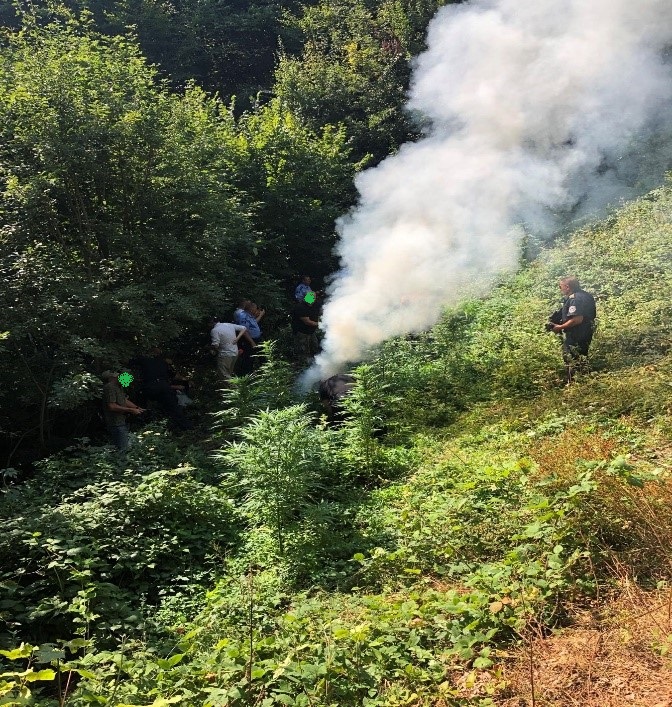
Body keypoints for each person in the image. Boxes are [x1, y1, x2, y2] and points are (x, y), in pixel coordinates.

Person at [548, 276, 596, 383]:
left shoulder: (574, 299)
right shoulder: (586, 295)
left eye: (560, 287)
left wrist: (560, 327)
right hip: (586, 331)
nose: (560, 289)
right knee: (581, 356)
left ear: (567, 286)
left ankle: (575, 383)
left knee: (570, 357)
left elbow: (577, 319)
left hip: (577, 333)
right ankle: (584, 380)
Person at [132, 347, 192, 430]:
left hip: (150, 388)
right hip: (163, 387)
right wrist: (185, 379)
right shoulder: (163, 362)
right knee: (174, 408)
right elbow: (174, 376)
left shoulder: (144, 360)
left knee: (141, 402)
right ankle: (185, 427)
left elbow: (130, 363)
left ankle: (142, 425)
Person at [101, 370, 145, 452]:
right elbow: (112, 406)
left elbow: (123, 400)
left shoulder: (119, 386)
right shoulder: (110, 387)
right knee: (121, 449)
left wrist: (137, 407)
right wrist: (131, 410)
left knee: (123, 447)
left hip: (121, 421)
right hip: (115, 423)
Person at [210, 318, 257, 384]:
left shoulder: (214, 330)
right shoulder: (228, 325)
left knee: (224, 376)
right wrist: (237, 338)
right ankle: (231, 392)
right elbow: (244, 328)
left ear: (211, 323)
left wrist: (211, 349)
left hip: (225, 355)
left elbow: (215, 344)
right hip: (234, 353)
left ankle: (238, 390)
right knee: (229, 373)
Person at [291, 293, 320, 365]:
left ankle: (315, 363)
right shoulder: (300, 307)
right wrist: (320, 324)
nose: (313, 299)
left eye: (314, 297)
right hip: (301, 332)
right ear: (305, 298)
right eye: (310, 297)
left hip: (311, 331)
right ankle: (303, 366)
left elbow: (320, 312)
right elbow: (307, 322)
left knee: (315, 347)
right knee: (303, 351)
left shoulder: (315, 304)